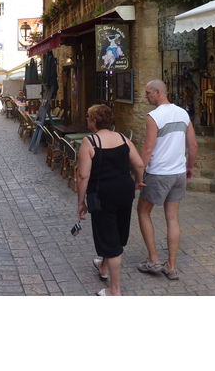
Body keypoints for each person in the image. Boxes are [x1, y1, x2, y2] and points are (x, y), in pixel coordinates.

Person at [77, 104, 145, 296]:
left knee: (109, 237)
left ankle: (114, 290)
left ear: (95, 121)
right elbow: (139, 164)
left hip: (103, 194)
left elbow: (83, 176)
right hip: (125, 191)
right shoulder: (123, 138)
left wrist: (81, 202)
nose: (87, 119)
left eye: (89, 117)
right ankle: (103, 267)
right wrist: (138, 182)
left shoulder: (89, 142)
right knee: (117, 231)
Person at [137, 79, 198, 281]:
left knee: (143, 211)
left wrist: (139, 173)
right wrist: (189, 167)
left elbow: (147, 148)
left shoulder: (153, 116)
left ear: (157, 92)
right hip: (178, 172)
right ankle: (171, 266)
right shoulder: (183, 113)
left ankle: (153, 259)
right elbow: (193, 144)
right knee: (172, 217)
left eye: (147, 93)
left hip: (159, 173)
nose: (146, 96)